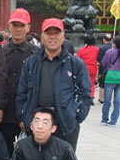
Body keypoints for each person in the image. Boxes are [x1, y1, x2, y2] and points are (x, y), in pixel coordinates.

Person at [16, 18, 92, 152]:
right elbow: (22, 91)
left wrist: (76, 116)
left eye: (56, 33)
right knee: (36, 159)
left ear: (63, 36)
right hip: (37, 120)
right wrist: (23, 117)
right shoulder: (31, 62)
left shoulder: (75, 63)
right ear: (42, 37)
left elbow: (85, 92)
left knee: (64, 159)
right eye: (48, 33)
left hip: (64, 121)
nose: (52, 37)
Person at [0, 8, 37, 158]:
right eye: (15, 25)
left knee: (28, 154)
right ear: (9, 27)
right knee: (4, 153)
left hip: (28, 113)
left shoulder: (36, 54)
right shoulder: (0, 52)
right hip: (4, 113)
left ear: (28, 27)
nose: (18, 29)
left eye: (22, 25)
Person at [100, 35, 120, 126]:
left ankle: (104, 119)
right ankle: (114, 120)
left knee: (107, 100)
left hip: (110, 77)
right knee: (117, 100)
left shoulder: (109, 52)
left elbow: (103, 63)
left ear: (114, 44)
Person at [76, 35, 99, 100]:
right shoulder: (96, 49)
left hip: (84, 68)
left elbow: (77, 59)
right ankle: (91, 96)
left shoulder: (82, 50)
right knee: (92, 83)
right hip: (93, 68)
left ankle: (85, 95)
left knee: (83, 83)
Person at [97, 33, 113, 103]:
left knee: (102, 84)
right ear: (111, 40)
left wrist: (100, 72)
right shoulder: (114, 48)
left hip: (104, 68)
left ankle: (102, 98)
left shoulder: (102, 48)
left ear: (104, 39)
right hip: (114, 69)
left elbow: (100, 60)